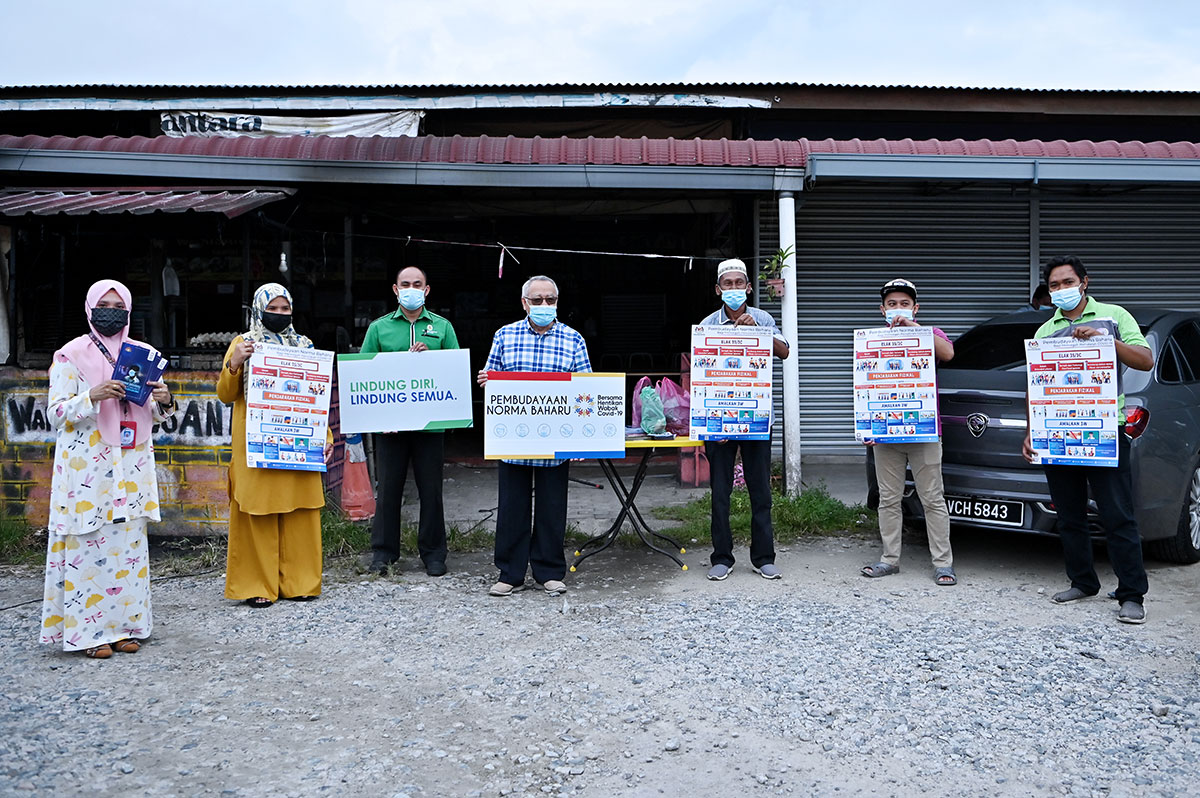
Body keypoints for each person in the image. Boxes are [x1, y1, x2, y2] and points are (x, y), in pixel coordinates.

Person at [41, 280, 176, 659]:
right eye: (105, 305)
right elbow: (56, 413)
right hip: (86, 467)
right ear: (90, 308)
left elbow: (158, 414)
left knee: (127, 546)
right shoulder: (70, 355)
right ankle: (88, 635)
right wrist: (92, 395)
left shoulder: (143, 355)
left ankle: (125, 628)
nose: (111, 312)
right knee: (87, 544)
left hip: (131, 465)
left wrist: (165, 399)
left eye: (119, 306)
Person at [1021, 256, 1154, 624]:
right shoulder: (1046, 331)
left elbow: (1145, 360)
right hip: (1057, 431)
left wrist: (1106, 342)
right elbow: (1036, 385)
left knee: (1117, 516)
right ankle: (1082, 581)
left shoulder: (1114, 316)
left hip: (1104, 431)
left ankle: (1132, 595)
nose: (1061, 289)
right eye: (1054, 285)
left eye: (1067, 282)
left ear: (1084, 282)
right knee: (1068, 516)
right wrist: (1031, 430)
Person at [218, 283, 333, 608]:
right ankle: (257, 585)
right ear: (259, 309)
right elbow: (225, 394)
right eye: (273, 308)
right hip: (257, 444)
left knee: (301, 512)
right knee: (258, 512)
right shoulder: (243, 343)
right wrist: (235, 363)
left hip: (299, 442)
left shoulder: (305, 346)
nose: (279, 314)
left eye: (285, 309)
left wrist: (325, 438)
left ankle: (301, 583)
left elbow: (316, 400)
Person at [476, 275, 591, 597]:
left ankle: (549, 572)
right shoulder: (505, 335)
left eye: (550, 300)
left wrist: (582, 438)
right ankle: (510, 574)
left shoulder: (573, 339)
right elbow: (491, 377)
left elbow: (587, 388)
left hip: (556, 440)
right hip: (514, 440)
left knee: (552, 509)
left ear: (557, 302)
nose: (544, 305)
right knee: (512, 508)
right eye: (537, 300)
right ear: (524, 303)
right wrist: (488, 380)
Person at [361, 266, 459, 577]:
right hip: (390, 425)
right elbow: (363, 372)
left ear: (426, 290)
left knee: (431, 490)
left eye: (417, 284)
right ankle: (383, 553)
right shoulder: (379, 328)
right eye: (406, 284)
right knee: (389, 489)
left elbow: (455, 370)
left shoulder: (442, 327)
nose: (411, 289)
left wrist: (432, 358)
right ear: (395, 289)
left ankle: (434, 554)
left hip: (430, 425)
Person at [697, 258, 791, 581]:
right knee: (720, 491)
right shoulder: (707, 325)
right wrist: (711, 421)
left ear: (749, 288)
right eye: (728, 284)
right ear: (718, 289)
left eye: (739, 283)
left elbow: (784, 351)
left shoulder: (763, 318)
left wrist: (759, 333)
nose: (734, 288)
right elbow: (702, 374)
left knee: (760, 490)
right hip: (719, 419)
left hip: (757, 417)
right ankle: (722, 557)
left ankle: (763, 557)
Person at [860, 278, 957, 585]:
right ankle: (889, 559)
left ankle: (943, 563)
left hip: (924, 431)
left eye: (904, 304)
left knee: (932, 498)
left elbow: (948, 353)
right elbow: (865, 384)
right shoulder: (872, 340)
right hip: (886, 432)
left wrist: (916, 330)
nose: (898, 309)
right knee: (888, 498)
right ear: (882, 310)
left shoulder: (930, 334)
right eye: (892, 304)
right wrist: (866, 424)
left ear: (916, 308)